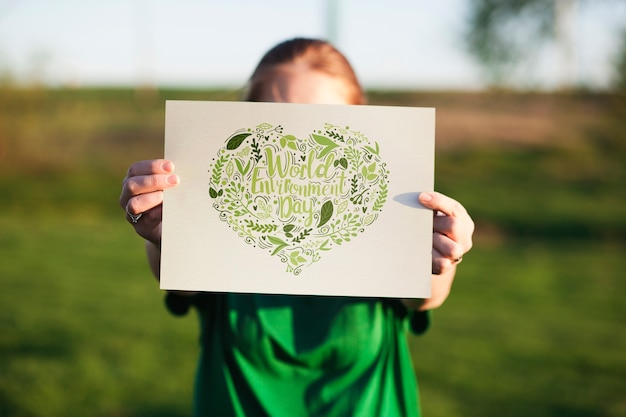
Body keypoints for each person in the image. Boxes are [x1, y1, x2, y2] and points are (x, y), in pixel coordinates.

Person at [119, 38, 474, 417]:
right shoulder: (223, 226)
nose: (299, 145)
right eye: (278, 120)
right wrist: (165, 229)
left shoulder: (384, 222)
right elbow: (175, 274)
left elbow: (426, 293)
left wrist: (440, 250)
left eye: (325, 121)